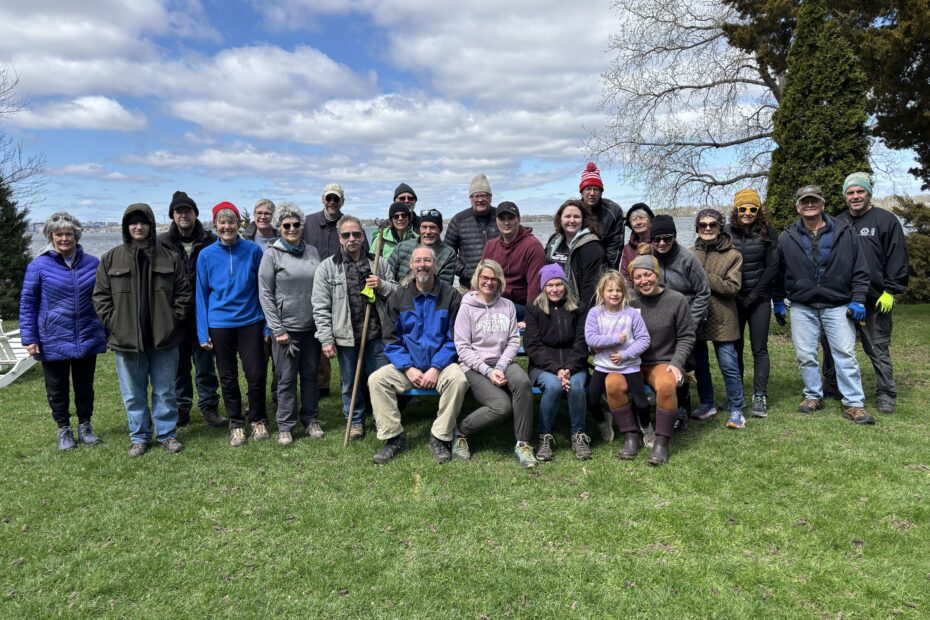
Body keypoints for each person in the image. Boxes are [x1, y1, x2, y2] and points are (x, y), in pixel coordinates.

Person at [94, 203, 190, 456]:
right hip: (126, 340)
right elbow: (101, 297)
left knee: (166, 391)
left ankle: (167, 434)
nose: (138, 227)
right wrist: (114, 323)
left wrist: (173, 319)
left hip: (164, 339)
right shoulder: (111, 258)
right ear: (127, 227)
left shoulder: (169, 257)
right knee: (133, 394)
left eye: (143, 222)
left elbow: (183, 292)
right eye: (133, 223)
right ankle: (139, 436)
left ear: (150, 225)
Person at [775, 184, 875, 425]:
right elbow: (778, 272)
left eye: (814, 201)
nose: (809, 205)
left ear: (823, 204)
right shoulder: (787, 237)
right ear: (797, 207)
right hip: (802, 305)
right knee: (805, 354)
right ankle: (812, 395)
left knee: (845, 353)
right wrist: (778, 299)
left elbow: (860, 269)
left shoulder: (844, 231)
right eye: (804, 201)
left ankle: (853, 403)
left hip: (838, 304)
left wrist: (859, 299)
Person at [369, 245, 469, 464]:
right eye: (418, 261)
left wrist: (436, 367)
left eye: (427, 261)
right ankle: (394, 438)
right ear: (411, 266)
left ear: (435, 265)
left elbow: (456, 338)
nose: (422, 265)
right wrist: (407, 367)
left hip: (441, 366)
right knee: (377, 380)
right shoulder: (399, 297)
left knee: (459, 380)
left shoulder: (451, 296)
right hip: (409, 366)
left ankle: (440, 436)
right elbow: (390, 338)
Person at [20, 213, 107, 450]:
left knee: (85, 385)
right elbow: (28, 303)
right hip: (52, 337)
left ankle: (86, 426)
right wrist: (29, 338)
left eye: (69, 234)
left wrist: (107, 329)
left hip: (87, 333)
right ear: (51, 237)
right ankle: (64, 430)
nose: (64, 238)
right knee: (57, 388)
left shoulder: (92, 263)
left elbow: (103, 299)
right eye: (59, 234)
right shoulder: (38, 265)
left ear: (77, 236)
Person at [823, 172, 909, 413]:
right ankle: (832, 386)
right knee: (833, 346)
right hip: (841, 298)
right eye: (850, 193)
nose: (855, 196)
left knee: (877, 347)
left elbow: (898, 257)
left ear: (869, 193)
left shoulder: (885, 220)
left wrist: (891, 290)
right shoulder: (837, 222)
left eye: (860, 191)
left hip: (875, 299)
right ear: (844, 196)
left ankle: (886, 393)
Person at [312, 215, 396, 440]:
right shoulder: (328, 268)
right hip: (346, 336)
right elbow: (320, 307)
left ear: (363, 237)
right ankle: (356, 421)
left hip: (376, 335)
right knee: (351, 382)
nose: (352, 239)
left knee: (380, 381)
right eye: (346, 235)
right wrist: (326, 339)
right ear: (340, 238)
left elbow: (397, 293)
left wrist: (382, 285)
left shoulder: (378, 263)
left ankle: (383, 420)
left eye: (356, 234)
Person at [197, 202, 270, 447]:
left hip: (251, 321)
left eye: (231, 222)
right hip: (220, 323)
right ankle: (236, 423)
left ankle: (258, 420)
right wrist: (202, 330)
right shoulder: (206, 255)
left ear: (239, 224)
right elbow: (202, 294)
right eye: (222, 222)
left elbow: (264, 290)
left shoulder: (252, 251)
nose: (227, 226)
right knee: (227, 377)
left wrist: (268, 326)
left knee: (256, 374)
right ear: (216, 225)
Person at [454, 259, 536, 468]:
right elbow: (462, 348)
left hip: (503, 362)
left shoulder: (507, 305)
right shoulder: (466, 307)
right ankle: (461, 431)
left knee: (523, 383)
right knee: (501, 406)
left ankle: (523, 443)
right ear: (477, 279)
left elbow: (513, 340)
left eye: (493, 278)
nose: (489, 282)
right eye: (484, 278)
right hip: (474, 367)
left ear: (499, 281)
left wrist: (499, 367)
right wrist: (488, 371)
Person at [156, 191, 224, 428]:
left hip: (203, 313)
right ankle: (181, 408)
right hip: (174, 314)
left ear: (195, 213)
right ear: (172, 216)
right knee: (178, 367)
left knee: (205, 364)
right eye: (178, 211)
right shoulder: (161, 243)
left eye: (187, 210)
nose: (183, 215)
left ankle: (209, 406)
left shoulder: (210, 240)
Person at [258, 203, 324, 446]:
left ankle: (310, 419)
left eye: (296, 224)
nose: (292, 228)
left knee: (310, 376)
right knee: (285, 378)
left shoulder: (313, 252)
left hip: (311, 327)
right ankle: (285, 425)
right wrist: (278, 329)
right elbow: (265, 293)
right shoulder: (271, 254)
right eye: (286, 225)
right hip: (286, 329)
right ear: (279, 227)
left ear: (302, 226)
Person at [627, 254, 696, 465]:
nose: (643, 281)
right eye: (637, 277)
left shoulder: (676, 300)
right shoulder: (627, 300)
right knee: (612, 384)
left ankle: (661, 442)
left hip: (662, 361)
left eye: (647, 274)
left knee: (666, 385)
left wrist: (676, 363)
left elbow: (686, 336)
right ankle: (631, 435)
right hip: (632, 362)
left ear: (657, 274)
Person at [524, 264, 593, 461]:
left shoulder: (579, 308)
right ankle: (544, 436)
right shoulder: (533, 309)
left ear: (565, 285)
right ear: (543, 287)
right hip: (543, 366)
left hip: (575, 365)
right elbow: (532, 345)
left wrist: (569, 369)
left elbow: (582, 342)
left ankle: (578, 435)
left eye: (559, 284)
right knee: (554, 386)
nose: (555, 289)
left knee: (576, 386)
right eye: (550, 285)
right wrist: (557, 370)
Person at [303, 183, 366, 398]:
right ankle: (321, 386)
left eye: (336, 199)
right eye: (328, 198)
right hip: (318, 281)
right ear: (323, 199)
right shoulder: (309, 222)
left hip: (345, 283)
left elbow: (362, 251)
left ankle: (355, 392)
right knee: (322, 336)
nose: (332, 202)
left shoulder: (349, 224)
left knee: (343, 332)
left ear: (342, 201)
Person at [649, 214, 710, 426]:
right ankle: (662, 403)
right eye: (656, 239)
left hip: (687, 319)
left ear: (674, 236)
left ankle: (683, 409)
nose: (662, 243)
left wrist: (690, 324)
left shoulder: (687, 258)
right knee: (663, 363)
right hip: (660, 320)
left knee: (685, 363)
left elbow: (703, 292)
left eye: (667, 238)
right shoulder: (650, 256)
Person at [584, 270, 651, 459]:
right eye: (610, 290)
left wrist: (626, 354)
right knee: (591, 399)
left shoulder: (631, 314)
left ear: (624, 293)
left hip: (630, 365)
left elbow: (644, 339)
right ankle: (603, 420)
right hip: (603, 365)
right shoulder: (595, 313)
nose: (614, 294)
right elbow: (591, 338)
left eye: (618, 291)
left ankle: (646, 428)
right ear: (602, 293)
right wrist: (614, 339)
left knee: (642, 403)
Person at [725, 188, 779, 418]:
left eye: (752, 209)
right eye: (743, 208)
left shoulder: (768, 232)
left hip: (759, 299)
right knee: (734, 349)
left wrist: (754, 296)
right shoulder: (726, 232)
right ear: (736, 210)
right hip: (734, 299)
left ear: (759, 211)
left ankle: (760, 396)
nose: (747, 213)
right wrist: (737, 295)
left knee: (760, 349)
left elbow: (773, 266)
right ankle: (736, 396)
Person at [691, 209, 746, 429]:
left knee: (729, 364)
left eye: (712, 224)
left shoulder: (733, 255)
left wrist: (704, 277)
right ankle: (707, 403)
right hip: (697, 317)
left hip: (723, 317)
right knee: (700, 365)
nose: (707, 228)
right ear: (697, 228)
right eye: (703, 224)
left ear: (720, 227)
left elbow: (732, 287)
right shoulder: (690, 253)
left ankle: (736, 409)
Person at [479, 201, 547, 322]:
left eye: (511, 218)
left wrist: (529, 321)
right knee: (466, 305)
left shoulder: (532, 246)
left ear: (519, 219)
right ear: (496, 221)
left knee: (492, 311)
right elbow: (479, 279)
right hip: (495, 300)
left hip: (521, 306)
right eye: (502, 218)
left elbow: (535, 288)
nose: (506, 222)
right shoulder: (491, 245)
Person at [543, 199, 605, 311]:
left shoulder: (592, 247)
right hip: (553, 304)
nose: (572, 220)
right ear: (560, 219)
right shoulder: (553, 242)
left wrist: (584, 315)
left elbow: (591, 288)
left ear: (584, 220)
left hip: (577, 307)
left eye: (576, 217)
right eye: (567, 216)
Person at [445, 173, 500, 285]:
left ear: (490, 198)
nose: (480, 199)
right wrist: (465, 271)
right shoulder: (459, 220)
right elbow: (447, 254)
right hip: (468, 286)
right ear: (471, 199)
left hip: (498, 284)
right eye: (476, 196)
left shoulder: (501, 217)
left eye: (484, 195)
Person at [389, 209, 456, 283]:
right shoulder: (402, 247)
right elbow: (388, 276)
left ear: (440, 230)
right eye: (424, 227)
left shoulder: (448, 254)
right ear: (419, 229)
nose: (428, 232)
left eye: (432, 227)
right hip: (397, 292)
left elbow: (444, 287)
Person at [579, 162, 625, 268]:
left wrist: (608, 274)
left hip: (604, 265)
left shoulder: (614, 211)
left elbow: (615, 249)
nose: (592, 193)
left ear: (601, 192)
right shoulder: (573, 212)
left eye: (596, 189)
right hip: (579, 265)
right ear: (581, 192)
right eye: (588, 189)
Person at [619, 203, 655, 282]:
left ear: (650, 220)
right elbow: (625, 276)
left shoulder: (659, 243)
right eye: (634, 219)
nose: (638, 222)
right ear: (630, 224)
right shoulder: (627, 248)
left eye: (642, 218)